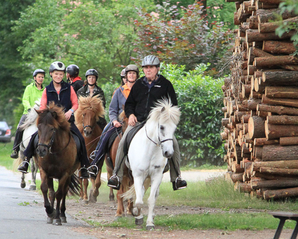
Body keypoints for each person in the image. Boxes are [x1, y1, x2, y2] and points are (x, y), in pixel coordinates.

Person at [106, 56, 187, 191]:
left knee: (173, 143)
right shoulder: (138, 85)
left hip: (158, 124)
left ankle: (177, 178)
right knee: (123, 141)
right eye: (145, 68)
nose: (148, 70)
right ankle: (116, 176)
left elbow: (173, 106)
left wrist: (166, 118)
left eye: (151, 67)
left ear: (157, 69)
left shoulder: (166, 84)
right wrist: (130, 114)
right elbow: (129, 103)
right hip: (139, 121)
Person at [18, 61, 91, 178]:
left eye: (61, 74)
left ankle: (84, 166)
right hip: (51, 122)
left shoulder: (69, 88)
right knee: (34, 137)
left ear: (64, 75)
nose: (59, 76)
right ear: (51, 74)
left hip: (67, 122)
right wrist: (44, 115)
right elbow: (42, 106)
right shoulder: (47, 90)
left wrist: (70, 112)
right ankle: (26, 161)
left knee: (80, 139)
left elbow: (75, 104)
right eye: (56, 74)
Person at [87, 64, 139, 179]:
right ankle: (96, 160)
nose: (129, 77)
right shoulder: (119, 91)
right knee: (106, 132)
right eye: (128, 75)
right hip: (120, 121)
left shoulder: (141, 90)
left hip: (137, 120)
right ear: (124, 77)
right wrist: (114, 120)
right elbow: (112, 109)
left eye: (133, 74)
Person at [10, 68, 45, 159]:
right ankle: (15, 149)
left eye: (42, 77)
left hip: (40, 114)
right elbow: (25, 100)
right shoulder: (29, 88)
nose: (41, 78)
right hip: (28, 113)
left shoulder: (45, 90)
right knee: (19, 128)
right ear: (35, 78)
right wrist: (29, 108)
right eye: (39, 77)